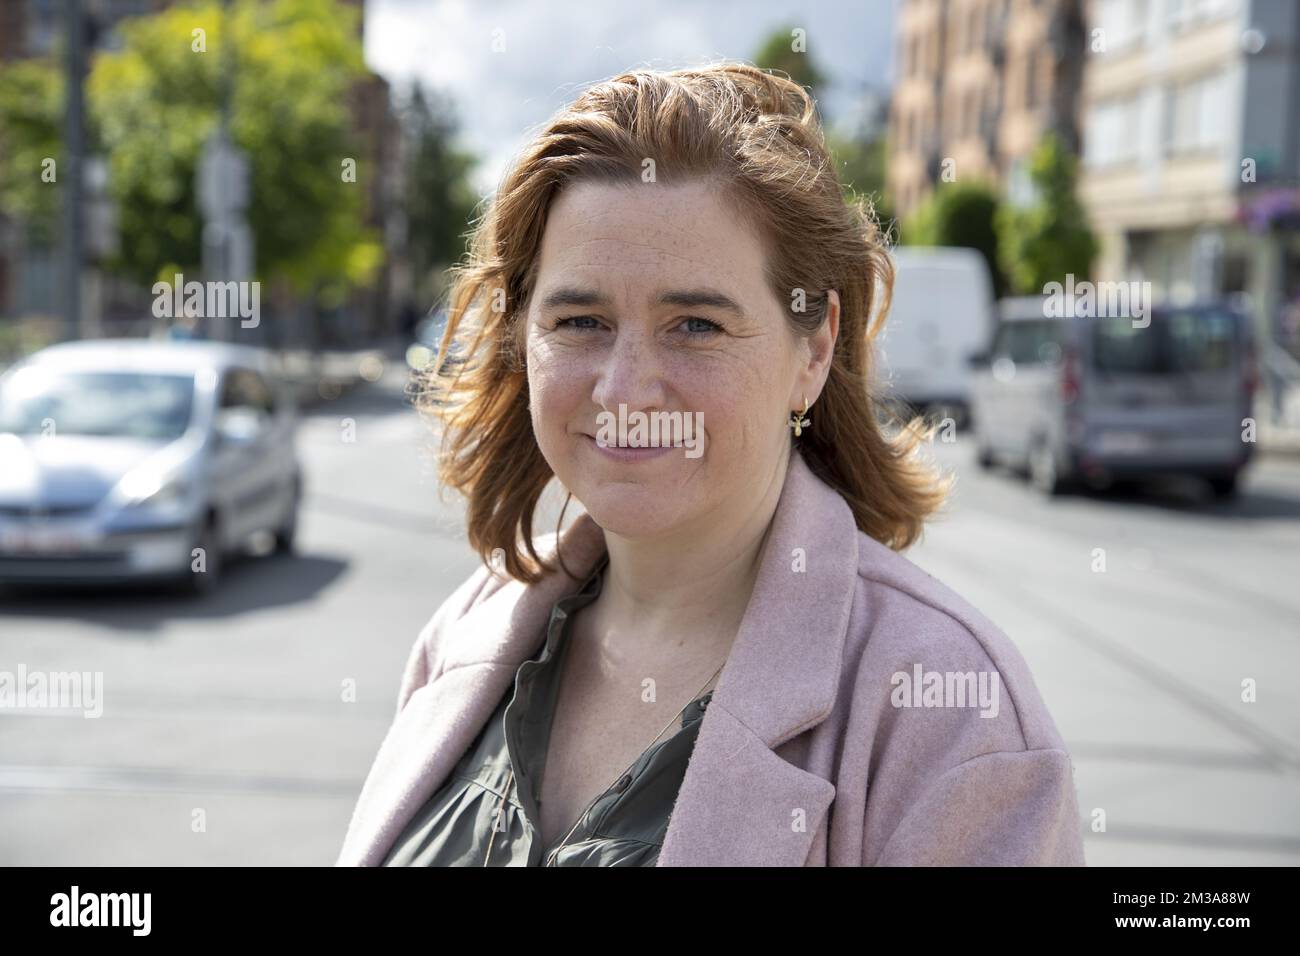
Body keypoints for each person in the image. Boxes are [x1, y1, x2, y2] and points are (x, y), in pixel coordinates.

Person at [337, 63, 1085, 867]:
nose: (624, 388)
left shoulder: (950, 716)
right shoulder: (467, 632)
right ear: (524, 337)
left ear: (815, 348)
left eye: (695, 325)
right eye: (581, 319)